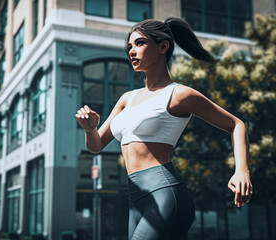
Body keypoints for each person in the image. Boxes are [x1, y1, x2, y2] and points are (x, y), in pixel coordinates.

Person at [75, 17, 253, 240]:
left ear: (162, 47)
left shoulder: (179, 95)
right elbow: (96, 146)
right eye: (129, 46)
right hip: (135, 199)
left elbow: (236, 124)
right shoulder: (126, 99)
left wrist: (242, 170)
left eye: (139, 43)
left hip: (165, 194)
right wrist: (90, 129)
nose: (131, 51)